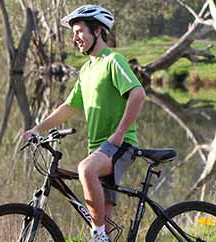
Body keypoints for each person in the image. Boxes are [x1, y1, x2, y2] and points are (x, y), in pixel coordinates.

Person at [19, 5, 146, 242]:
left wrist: (119, 134)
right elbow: (68, 107)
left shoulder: (113, 60)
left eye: (79, 31)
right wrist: (37, 129)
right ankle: (102, 234)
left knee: (85, 170)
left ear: (97, 30)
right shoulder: (87, 69)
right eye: (73, 33)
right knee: (105, 223)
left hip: (119, 145)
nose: (74, 38)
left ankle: (97, 234)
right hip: (98, 149)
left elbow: (138, 95)